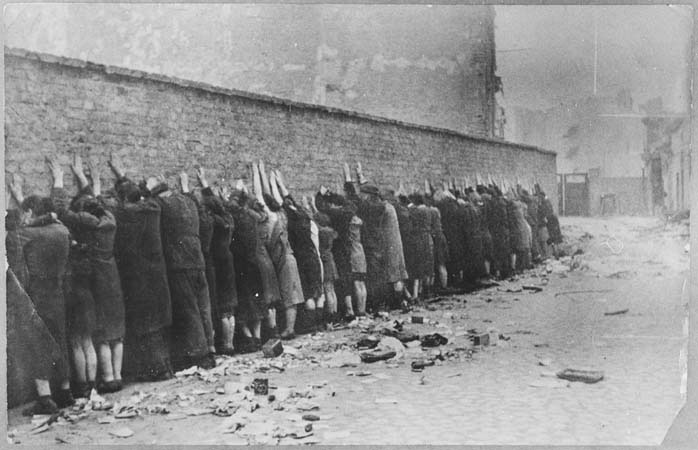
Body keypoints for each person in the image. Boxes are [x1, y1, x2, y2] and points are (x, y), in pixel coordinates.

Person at [49, 155, 126, 394]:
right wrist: (86, 179)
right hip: (113, 276)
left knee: (101, 334)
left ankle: (108, 378)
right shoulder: (109, 219)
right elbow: (98, 201)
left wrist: (59, 179)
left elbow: (61, 210)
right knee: (117, 333)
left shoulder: (85, 222)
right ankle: (118, 376)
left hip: (98, 280)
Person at [104, 155, 174, 382]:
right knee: (157, 326)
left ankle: (157, 370)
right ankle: (164, 365)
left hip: (138, 279)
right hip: (157, 275)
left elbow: (111, 204)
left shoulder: (124, 214)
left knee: (146, 327)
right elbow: (143, 195)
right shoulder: (153, 208)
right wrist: (124, 177)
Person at [7, 173, 75, 405]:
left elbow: (13, 239)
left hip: (36, 294)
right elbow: (49, 222)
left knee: (38, 342)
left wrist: (14, 207)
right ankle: (65, 393)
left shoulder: (28, 233)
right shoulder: (62, 230)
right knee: (60, 339)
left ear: (30, 213)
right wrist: (23, 199)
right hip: (58, 292)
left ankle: (45, 398)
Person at [150, 172, 215, 370]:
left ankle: (200, 354)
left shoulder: (163, 205)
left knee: (189, 309)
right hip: (198, 260)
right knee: (204, 306)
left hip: (180, 264)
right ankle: (210, 347)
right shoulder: (189, 202)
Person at [276, 169, 324, 332]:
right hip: (313, 256)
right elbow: (290, 199)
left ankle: (311, 325)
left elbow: (282, 202)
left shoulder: (292, 220)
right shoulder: (304, 216)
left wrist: (274, 183)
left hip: (302, 259)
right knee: (317, 291)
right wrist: (281, 182)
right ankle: (319, 323)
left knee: (308, 293)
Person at [197, 168, 238, 354]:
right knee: (229, 307)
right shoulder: (228, 219)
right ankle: (230, 343)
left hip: (217, 262)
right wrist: (208, 188)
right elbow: (219, 205)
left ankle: (226, 344)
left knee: (221, 306)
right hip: (228, 259)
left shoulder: (211, 220)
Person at [315, 182, 368, 321]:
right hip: (347, 248)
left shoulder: (333, 214)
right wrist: (333, 194)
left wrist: (322, 194)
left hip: (337, 250)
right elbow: (348, 203)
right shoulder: (348, 213)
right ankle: (357, 310)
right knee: (350, 279)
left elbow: (320, 207)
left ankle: (349, 310)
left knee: (342, 282)